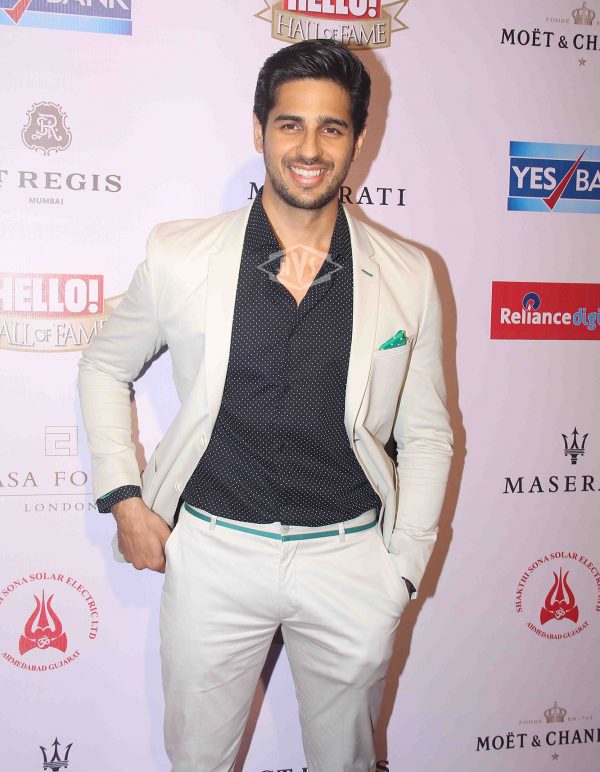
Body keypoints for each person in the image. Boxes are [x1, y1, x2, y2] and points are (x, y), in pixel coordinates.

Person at [78, 38, 453, 772]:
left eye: (331, 128)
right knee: (198, 762)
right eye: (290, 125)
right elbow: (102, 366)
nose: (309, 149)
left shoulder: (409, 275)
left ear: (358, 140)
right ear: (259, 131)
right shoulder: (181, 255)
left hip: (351, 561)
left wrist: (403, 566)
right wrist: (124, 497)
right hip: (215, 555)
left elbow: (428, 433)